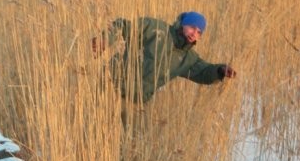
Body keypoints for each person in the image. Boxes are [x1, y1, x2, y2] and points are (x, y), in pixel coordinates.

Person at [92, 11, 236, 103]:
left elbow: (204, 72)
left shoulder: (188, 59)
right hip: (109, 85)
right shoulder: (156, 29)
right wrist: (105, 39)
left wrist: (220, 70)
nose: (194, 33)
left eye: (199, 32)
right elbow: (123, 26)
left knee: (127, 143)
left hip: (135, 101)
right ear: (183, 24)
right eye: (192, 27)